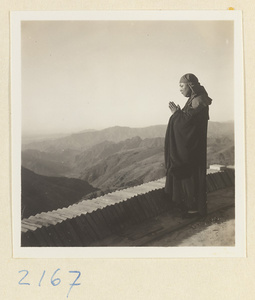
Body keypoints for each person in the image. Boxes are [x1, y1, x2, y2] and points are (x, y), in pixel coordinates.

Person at [164, 73, 212, 218]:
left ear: (191, 86)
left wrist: (176, 114)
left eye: (181, 85)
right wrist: (179, 114)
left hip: (192, 148)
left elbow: (186, 123)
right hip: (193, 146)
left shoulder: (198, 100)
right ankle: (190, 206)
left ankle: (193, 209)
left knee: (189, 175)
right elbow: (188, 119)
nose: (179, 89)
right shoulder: (196, 99)